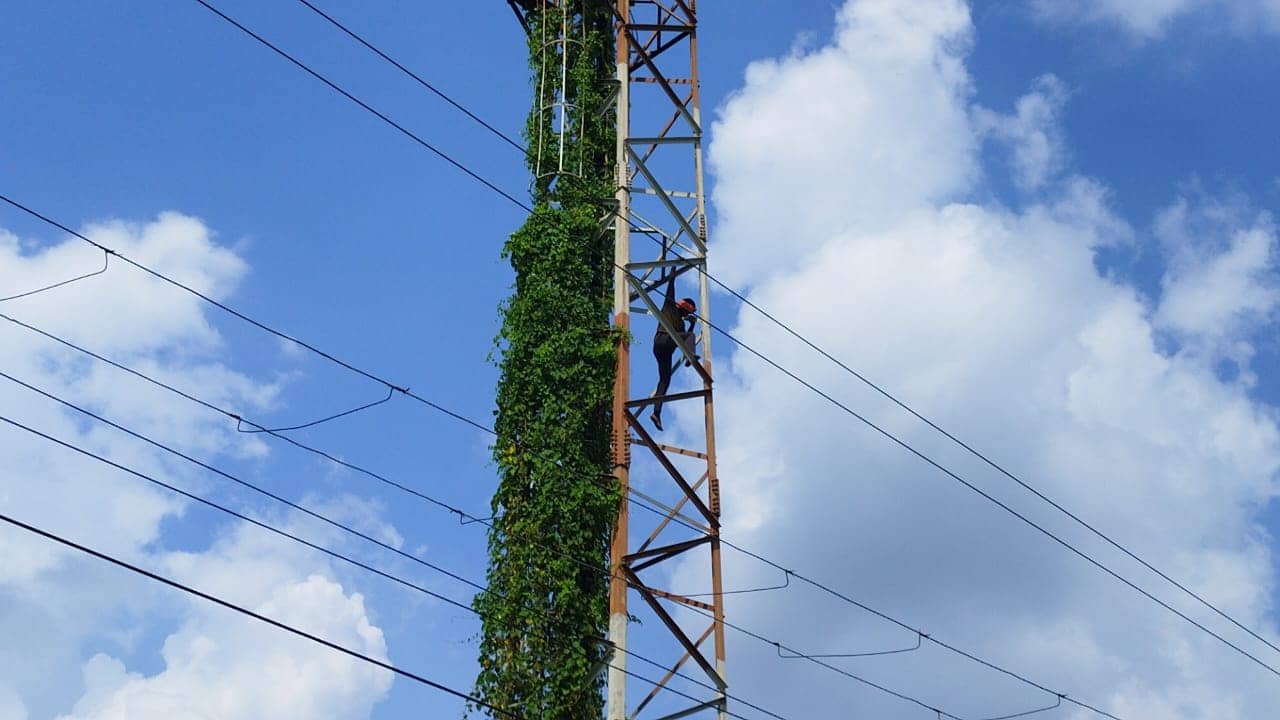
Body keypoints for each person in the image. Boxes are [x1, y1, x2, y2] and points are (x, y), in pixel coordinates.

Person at [650, 273, 697, 431]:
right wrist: (674, 270)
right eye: (686, 313)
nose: (686, 316)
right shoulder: (670, 306)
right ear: (683, 308)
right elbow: (671, 287)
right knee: (689, 337)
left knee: (664, 382)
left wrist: (691, 325)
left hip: (663, 349)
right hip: (663, 340)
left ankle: (656, 413)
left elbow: (683, 339)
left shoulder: (681, 326)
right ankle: (689, 358)